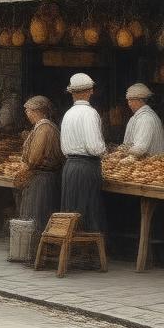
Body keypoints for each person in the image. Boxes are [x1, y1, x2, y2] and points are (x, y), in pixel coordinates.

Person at [59, 73, 107, 233]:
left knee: (70, 210)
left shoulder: (68, 114)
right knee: (88, 209)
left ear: (72, 93)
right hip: (86, 168)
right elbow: (94, 147)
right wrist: (105, 151)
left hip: (70, 167)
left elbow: (64, 147)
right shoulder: (89, 113)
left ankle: (72, 246)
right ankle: (87, 249)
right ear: (90, 92)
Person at [17, 95, 65, 243]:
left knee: (38, 214)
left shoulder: (44, 128)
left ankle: (37, 249)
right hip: (41, 177)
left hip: (42, 180)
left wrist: (26, 166)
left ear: (37, 111)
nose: (27, 114)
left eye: (28, 111)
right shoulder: (41, 127)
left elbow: (34, 158)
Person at [121, 84, 164, 159]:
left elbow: (139, 149)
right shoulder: (138, 117)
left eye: (131, 100)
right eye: (128, 100)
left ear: (140, 100)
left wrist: (123, 151)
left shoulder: (145, 118)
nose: (129, 104)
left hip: (148, 166)